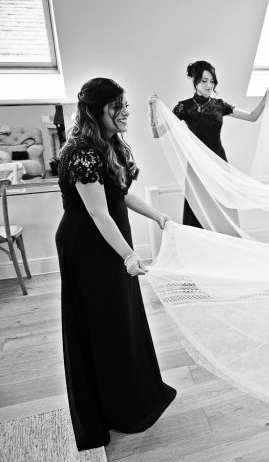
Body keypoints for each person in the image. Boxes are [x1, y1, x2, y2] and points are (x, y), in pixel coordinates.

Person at [56, 78, 176, 451]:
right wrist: (128, 253)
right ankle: (114, 409)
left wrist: (158, 215)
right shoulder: (81, 152)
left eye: (125, 105)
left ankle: (134, 395)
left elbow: (118, 196)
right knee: (104, 323)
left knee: (123, 318)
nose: (126, 112)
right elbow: (97, 212)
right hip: (89, 245)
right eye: (117, 106)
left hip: (109, 240)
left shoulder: (106, 146)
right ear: (97, 111)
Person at [170, 60, 269, 228]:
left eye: (212, 81)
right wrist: (152, 110)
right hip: (197, 164)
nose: (210, 85)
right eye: (204, 81)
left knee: (222, 206)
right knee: (197, 208)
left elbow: (252, 117)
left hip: (219, 161)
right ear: (194, 81)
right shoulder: (184, 107)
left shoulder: (219, 105)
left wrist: (265, 99)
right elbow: (158, 133)